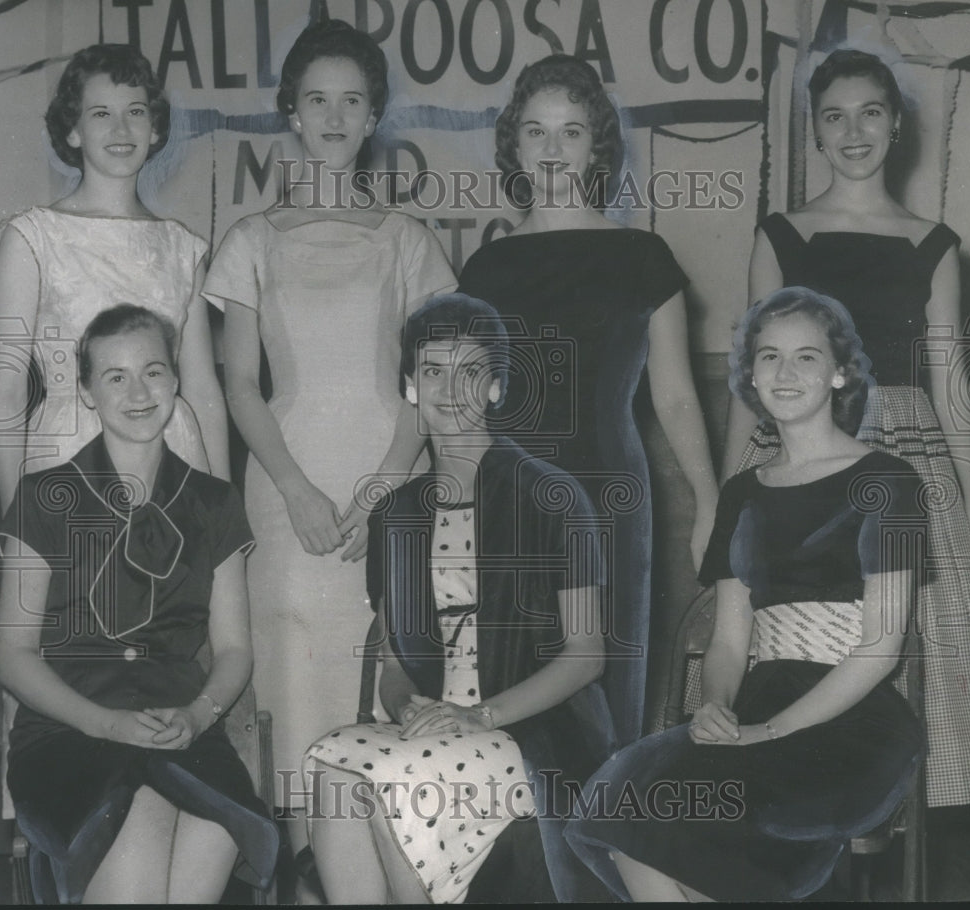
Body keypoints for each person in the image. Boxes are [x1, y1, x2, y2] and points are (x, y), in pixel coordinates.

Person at [565, 287, 925, 901]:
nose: (784, 373)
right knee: (624, 801)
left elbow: (881, 649)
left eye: (806, 357)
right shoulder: (741, 492)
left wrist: (773, 733)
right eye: (768, 357)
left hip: (852, 718)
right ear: (750, 374)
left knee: (724, 826)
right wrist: (715, 705)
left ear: (840, 373)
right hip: (757, 701)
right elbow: (731, 640)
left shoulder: (887, 481)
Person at [202, 18, 456, 858]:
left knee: (378, 668)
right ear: (292, 114)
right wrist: (297, 490)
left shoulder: (409, 243)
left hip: (387, 480)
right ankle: (295, 862)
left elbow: (429, 379)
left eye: (354, 100)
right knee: (290, 674)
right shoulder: (249, 241)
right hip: (285, 490)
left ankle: (371, 870)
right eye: (319, 99)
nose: (336, 116)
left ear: (374, 114)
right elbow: (241, 384)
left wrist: (386, 486)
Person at [722, 48, 970, 807]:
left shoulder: (933, 244)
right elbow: (751, 384)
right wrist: (724, 502)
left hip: (907, 457)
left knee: (904, 649)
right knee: (785, 642)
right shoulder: (782, 236)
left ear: (897, 124)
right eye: (834, 116)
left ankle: (883, 818)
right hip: (796, 455)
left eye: (870, 112)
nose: (853, 131)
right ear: (814, 130)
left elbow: (949, 385)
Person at [303, 293, 616, 903]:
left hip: (532, 730)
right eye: (433, 371)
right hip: (433, 731)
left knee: (388, 779)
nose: (451, 389)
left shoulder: (552, 496)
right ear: (410, 387)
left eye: (471, 371)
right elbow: (394, 665)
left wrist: (480, 715)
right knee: (333, 768)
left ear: (497, 388)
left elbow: (587, 655)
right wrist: (410, 709)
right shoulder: (395, 516)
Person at [457, 54, 718, 745]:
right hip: (509, 498)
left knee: (608, 699)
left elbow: (677, 396)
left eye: (571, 132)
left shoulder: (643, 256)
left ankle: (603, 846)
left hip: (610, 499)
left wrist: (709, 497)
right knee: (511, 693)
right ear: (513, 144)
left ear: (596, 146)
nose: (552, 149)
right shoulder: (484, 269)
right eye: (536, 132)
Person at [0, 305, 278, 904]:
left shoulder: (214, 502)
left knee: (215, 826)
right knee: (144, 824)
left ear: (176, 380)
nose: (138, 391)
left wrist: (200, 716)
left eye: (153, 371)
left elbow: (233, 649)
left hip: (182, 731)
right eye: (115, 376)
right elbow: (12, 653)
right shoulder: (42, 497)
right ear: (87, 392)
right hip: (70, 731)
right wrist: (107, 723)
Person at [0, 43, 227, 516]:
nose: (121, 129)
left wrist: (225, 513)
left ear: (156, 127)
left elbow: (203, 390)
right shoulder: (31, 238)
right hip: (67, 467)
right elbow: (7, 389)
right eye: (101, 113)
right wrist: (12, 514)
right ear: (73, 130)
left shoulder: (183, 247)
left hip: (172, 462)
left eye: (135, 112)